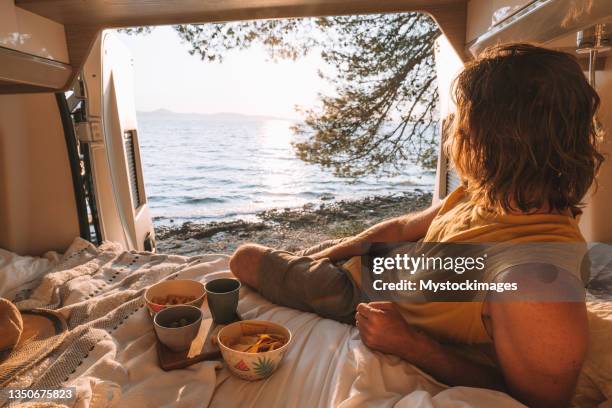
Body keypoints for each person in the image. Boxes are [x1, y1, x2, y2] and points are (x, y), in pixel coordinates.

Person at [229, 43, 604, 407]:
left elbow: (540, 400)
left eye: (464, 120)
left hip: (363, 296)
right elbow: (404, 225)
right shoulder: (490, 190)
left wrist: (410, 343)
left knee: (244, 259)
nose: (456, 131)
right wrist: (336, 250)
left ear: (498, 139)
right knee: (284, 257)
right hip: (380, 264)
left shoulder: (537, 279)